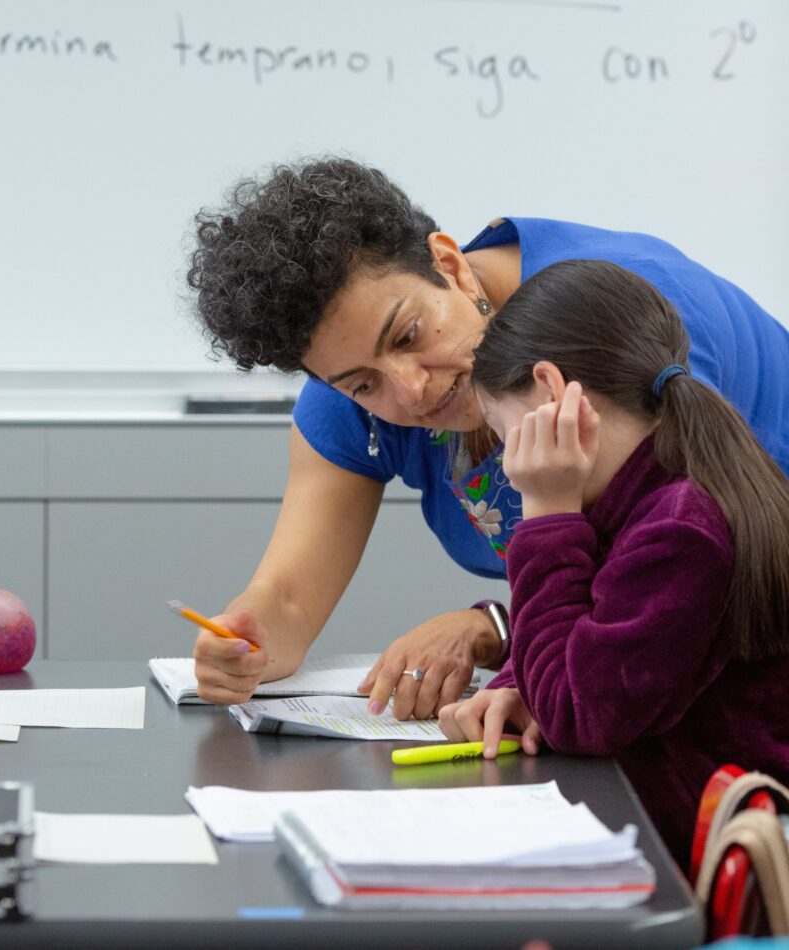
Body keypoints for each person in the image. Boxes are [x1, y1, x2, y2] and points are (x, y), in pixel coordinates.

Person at [185, 157, 789, 719]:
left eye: (408, 335)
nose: (410, 390)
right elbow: (288, 599)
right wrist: (247, 642)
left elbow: (659, 594)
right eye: (363, 384)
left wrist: (493, 631)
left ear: (449, 262)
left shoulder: (613, 320)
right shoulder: (353, 401)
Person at [436, 258, 789, 871]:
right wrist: (517, 686)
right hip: (661, 830)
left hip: (686, 865)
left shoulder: (679, 527)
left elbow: (580, 712)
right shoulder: (651, 494)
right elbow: (583, 639)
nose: (502, 459)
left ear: (549, 391)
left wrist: (545, 515)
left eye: (499, 429)